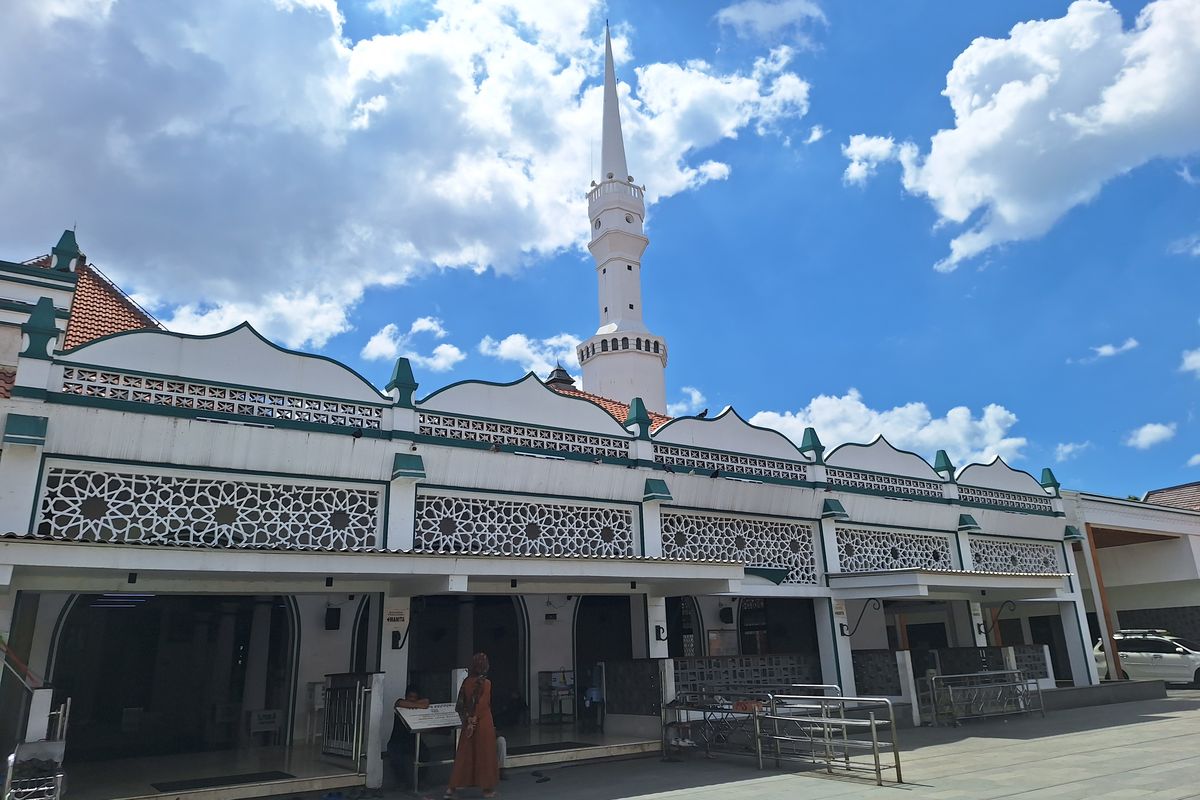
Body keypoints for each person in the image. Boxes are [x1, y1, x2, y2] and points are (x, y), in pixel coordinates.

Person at [445, 653, 498, 799]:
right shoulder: (486, 683)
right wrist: (474, 721)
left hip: (467, 721)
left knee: (463, 755)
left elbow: (461, 704)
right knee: (485, 755)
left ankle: (451, 788)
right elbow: (482, 704)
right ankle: (487, 790)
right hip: (483, 723)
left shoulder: (466, 681)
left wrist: (468, 721)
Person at [389, 686, 431, 789]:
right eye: (410, 696)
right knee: (396, 757)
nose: (412, 699)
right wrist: (416, 705)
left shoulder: (420, 704)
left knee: (425, 753)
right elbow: (399, 703)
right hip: (397, 741)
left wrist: (415, 706)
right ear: (406, 696)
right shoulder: (400, 704)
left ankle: (421, 781)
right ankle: (402, 782)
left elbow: (426, 702)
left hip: (413, 740)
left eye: (415, 697)